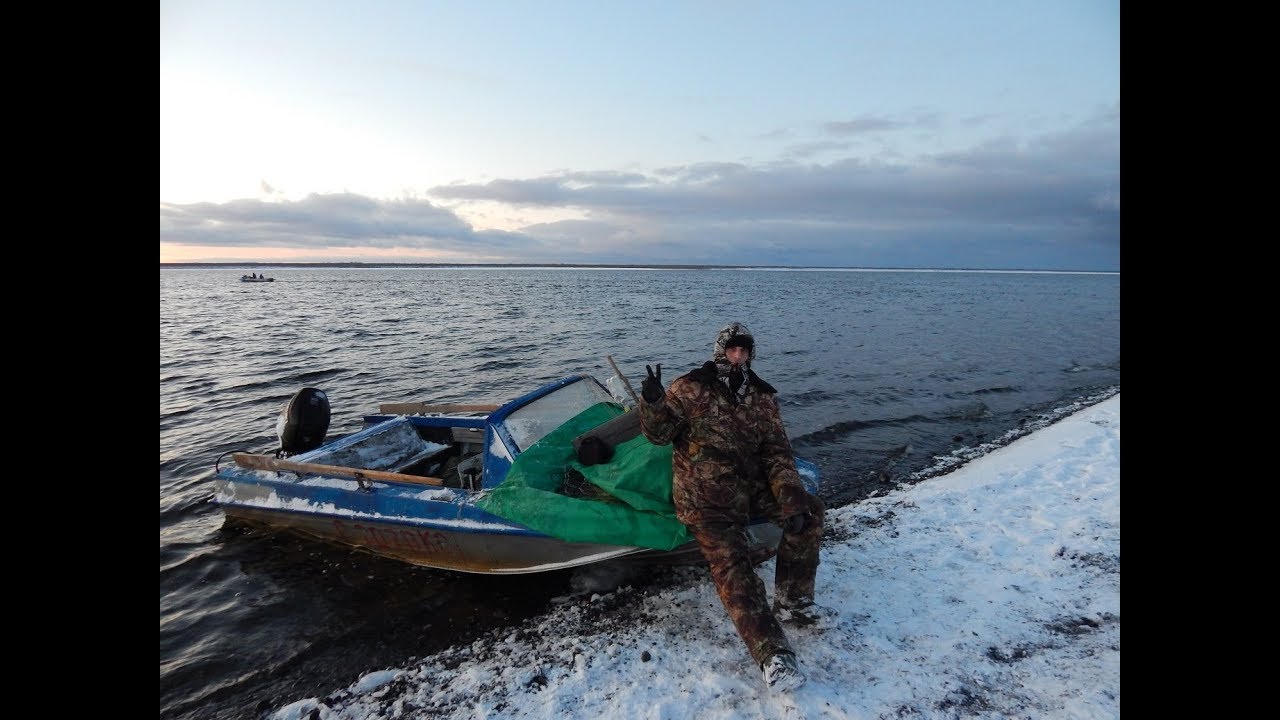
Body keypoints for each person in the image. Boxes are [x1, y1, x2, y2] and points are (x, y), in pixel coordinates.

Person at [638, 321, 826, 693]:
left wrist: (790, 498)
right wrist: (654, 402)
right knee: (731, 561)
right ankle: (773, 654)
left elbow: (776, 452)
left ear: (751, 354)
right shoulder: (690, 388)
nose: (738, 356)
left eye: (744, 350)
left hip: (750, 485)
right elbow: (658, 436)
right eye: (732, 349)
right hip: (704, 491)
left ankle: (794, 599)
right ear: (720, 351)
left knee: (810, 513)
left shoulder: (761, 396)